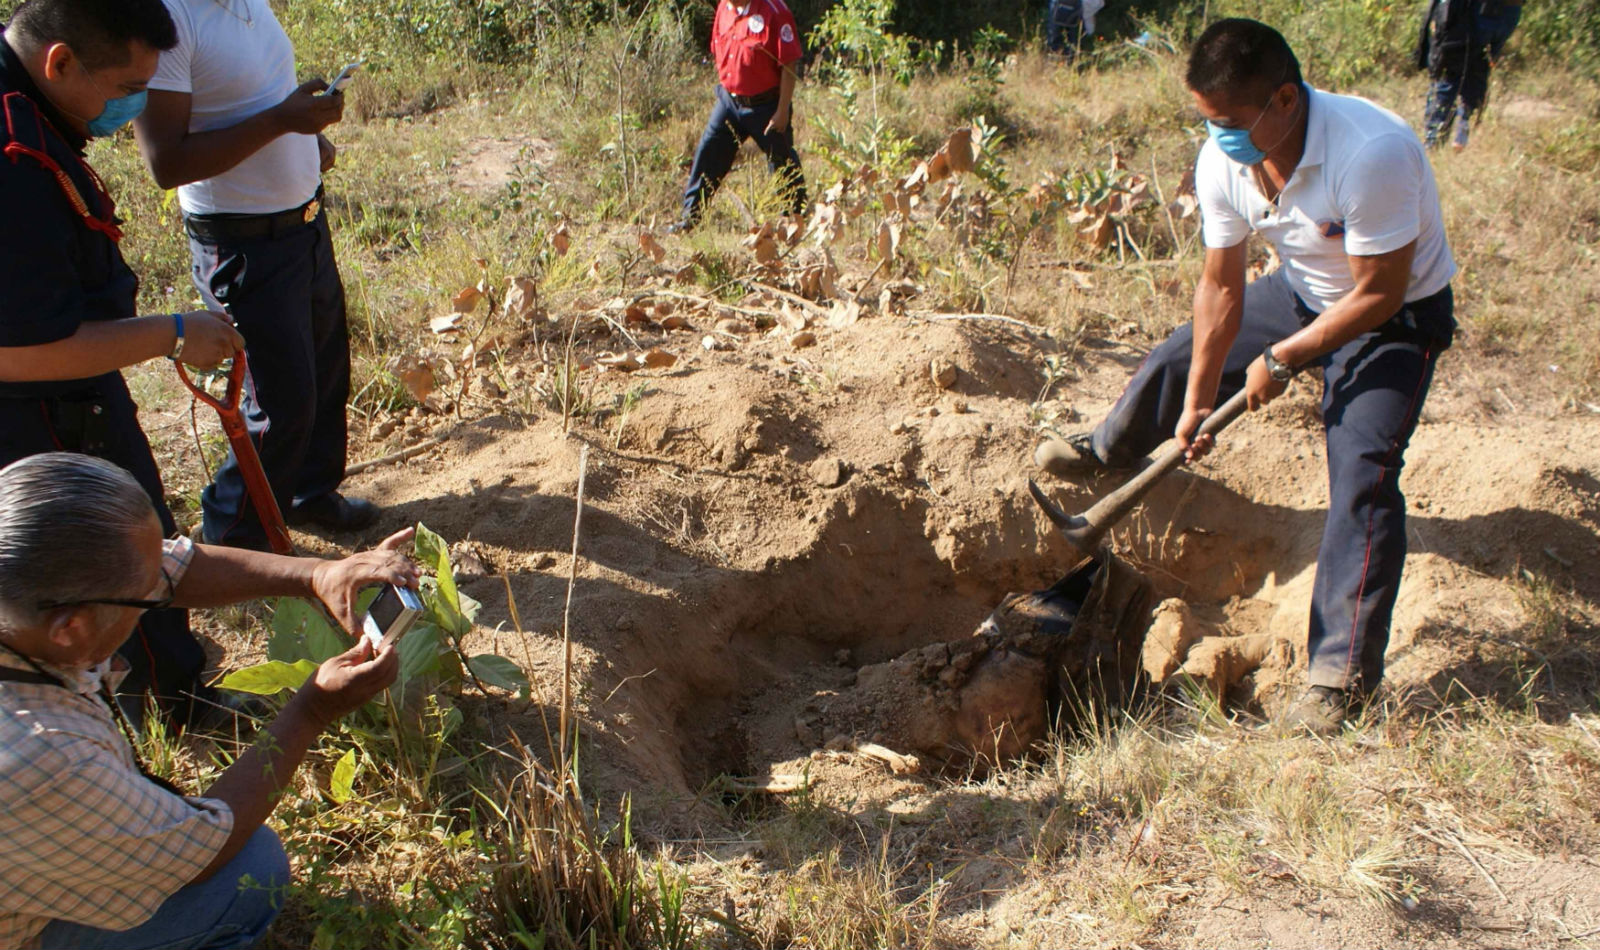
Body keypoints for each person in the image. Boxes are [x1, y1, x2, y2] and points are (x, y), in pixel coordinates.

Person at [1035, 18, 1457, 734]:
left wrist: (1283, 358)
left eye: (1228, 121)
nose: (1216, 136)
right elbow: (1221, 290)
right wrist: (1200, 400)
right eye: (1206, 120)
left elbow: (1380, 291)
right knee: (1177, 357)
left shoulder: (1373, 153)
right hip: (1303, 291)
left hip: (1395, 317)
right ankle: (1111, 448)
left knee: (1362, 471)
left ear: (1284, 102)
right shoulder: (1223, 160)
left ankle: (1339, 677)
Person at [0, 452, 417, 950]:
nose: (161, 588)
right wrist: (312, 710)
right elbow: (201, 854)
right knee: (246, 873)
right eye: (147, 596)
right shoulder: (42, 753)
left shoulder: (26, 595)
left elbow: (175, 568)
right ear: (71, 628)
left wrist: (315, 575)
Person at [0, 0, 247, 728]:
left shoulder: (30, 106)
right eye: (123, 91)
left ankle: (168, 690)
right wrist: (171, 333)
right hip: (41, 421)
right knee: (109, 560)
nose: (132, 108)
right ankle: (150, 714)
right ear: (61, 62)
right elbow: (21, 351)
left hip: (70, 401)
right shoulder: (13, 163)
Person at [133, 0, 375, 551]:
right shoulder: (169, 21)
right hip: (242, 243)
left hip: (304, 224)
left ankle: (307, 495)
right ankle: (235, 540)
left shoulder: (248, 4)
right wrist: (283, 123)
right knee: (280, 399)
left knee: (323, 371)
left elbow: (257, 97)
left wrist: (305, 140)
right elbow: (166, 163)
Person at [671, 0, 807, 233]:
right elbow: (719, 48)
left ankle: (794, 223)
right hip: (730, 102)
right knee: (708, 154)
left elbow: (789, 64)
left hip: (767, 106)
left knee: (783, 163)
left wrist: (782, 110)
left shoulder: (774, 11)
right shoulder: (724, 8)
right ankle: (689, 220)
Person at [1417, 0, 1522, 150]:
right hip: (1508, 10)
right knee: (1479, 65)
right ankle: (1462, 130)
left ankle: (1433, 142)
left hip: (1472, 10)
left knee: (1447, 70)